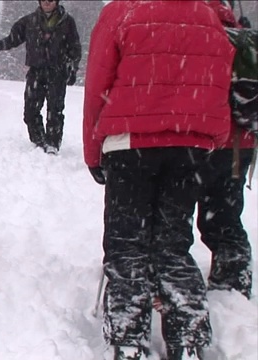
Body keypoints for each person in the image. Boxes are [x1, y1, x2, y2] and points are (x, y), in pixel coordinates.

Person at [83, 1, 235, 359]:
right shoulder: (207, 15)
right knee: (172, 241)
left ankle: (128, 336)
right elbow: (220, 80)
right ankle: (189, 334)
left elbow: (97, 84)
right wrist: (211, 139)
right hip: (191, 143)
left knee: (126, 243)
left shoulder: (124, 10)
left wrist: (94, 151)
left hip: (130, 141)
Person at [197, 0, 255, 300]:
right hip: (241, 143)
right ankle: (233, 278)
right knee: (225, 211)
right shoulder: (240, 34)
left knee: (209, 214)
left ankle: (229, 280)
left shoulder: (204, 34)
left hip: (213, 139)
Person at [0, 0, 81, 155]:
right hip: (36, 71)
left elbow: (75, 48)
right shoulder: (29, 21)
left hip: (57, 72)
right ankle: (39, 141)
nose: (47, 3)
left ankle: (53, 144)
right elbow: (12, 40)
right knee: (30, 111)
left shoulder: (67, 22)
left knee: (55, 110)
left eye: (51, 0)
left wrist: (73, 69)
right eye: (44, 0)